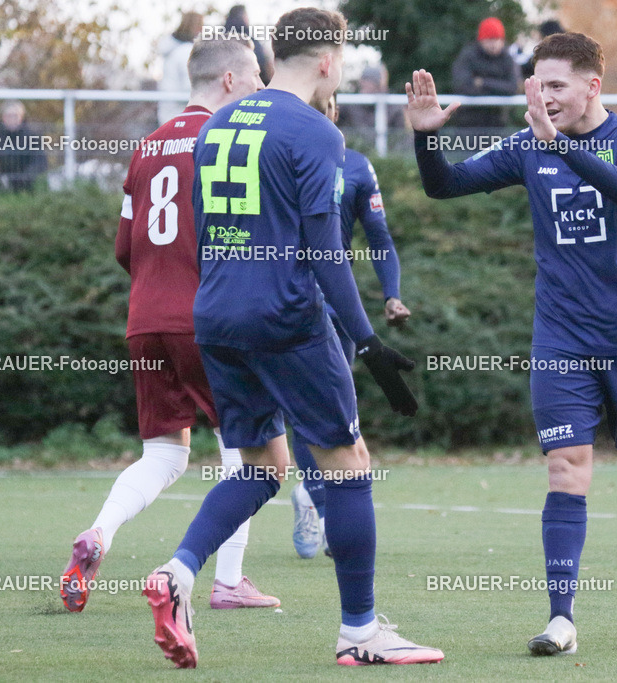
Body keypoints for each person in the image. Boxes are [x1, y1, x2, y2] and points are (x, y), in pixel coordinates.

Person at [141, 7, 443, 669]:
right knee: (348, 461)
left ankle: (178, 571)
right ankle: (360, 632)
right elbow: (326, 252)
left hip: (216, 315)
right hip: (284, 317)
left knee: (262, 466)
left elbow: (204, 227)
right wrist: (366, 341)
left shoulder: (219, 123)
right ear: (328, 61)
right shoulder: (316, 132)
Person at [407, 31, 617, 655]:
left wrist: (557, 145)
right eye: (538, 84)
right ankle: (561, 618)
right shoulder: (529, 144)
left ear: (592, 86)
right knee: (565, 467)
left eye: (558, 85)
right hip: (561, 339)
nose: (545, 96)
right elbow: (444, 185)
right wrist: (426, 137)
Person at [60, 37, 278, 615]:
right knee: (247, 455)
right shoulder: (227, 143)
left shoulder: (148, 146)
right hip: (208, 319)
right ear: (228, 81)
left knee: (164, 453)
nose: (261, 87)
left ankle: (99, 532)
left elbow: (124, 247)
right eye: (255, 77)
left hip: (145, 320)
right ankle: (228, 581)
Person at [291, 92, 411, 559]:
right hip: (285, 298)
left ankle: (314, 495)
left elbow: (379, 237)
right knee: (301, 406)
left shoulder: (357, 167)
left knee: (334, 405)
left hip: (335, 301)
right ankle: (321, 507)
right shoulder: (279, 156)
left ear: (335, 109)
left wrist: (391, 293)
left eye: (323, 103)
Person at [451, 17, 519, 129]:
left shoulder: (507, 59)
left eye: (497, 39)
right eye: (490, 39)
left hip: (498, 123)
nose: (494, 44)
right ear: (481, 40)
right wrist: (498, 88)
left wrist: (483, 83)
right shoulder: (469, 56)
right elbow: (462, 85)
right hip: (468, 123)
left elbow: (513, 87)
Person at [0, 100, 46, 192]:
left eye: (15, 116)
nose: (12, 119)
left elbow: (39, 163)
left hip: (27, 187)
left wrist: (24, 178)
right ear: (3, 118)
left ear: (21, 117)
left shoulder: (32, 136)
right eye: (8, 116)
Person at [157, 12, 203, 125]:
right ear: (197, 27)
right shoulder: (186, 51)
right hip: (181, 117)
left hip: (168, 115)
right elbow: (190, 87)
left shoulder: (174, 50)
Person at [225, 4, 275, 85]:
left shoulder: (221, 38)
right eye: (246, 16)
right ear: (242, 17)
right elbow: (261, 61)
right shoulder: (249, 39)